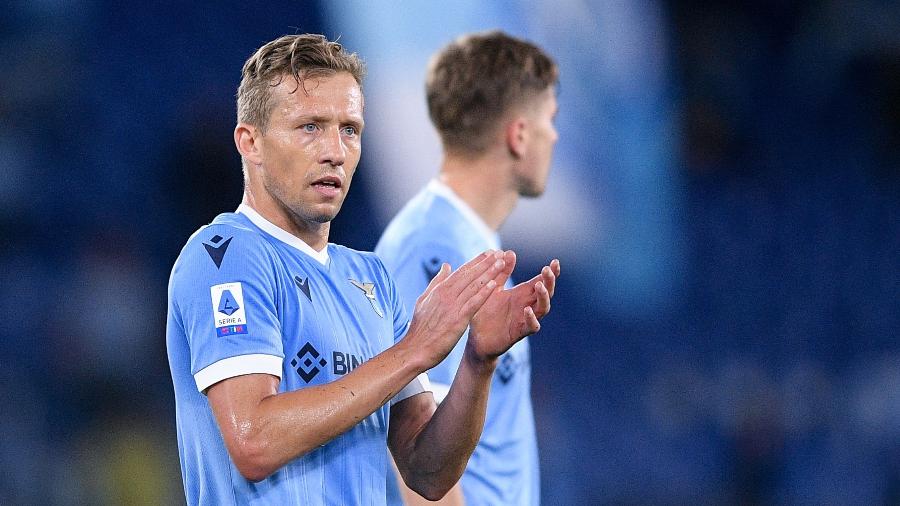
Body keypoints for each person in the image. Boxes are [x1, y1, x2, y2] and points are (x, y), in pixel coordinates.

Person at [165, 33, 559, 505]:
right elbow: (254, 441)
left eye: (349, 129)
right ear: (251, 142)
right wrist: (414, 350)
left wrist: (478, 361)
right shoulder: (224, 255)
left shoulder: (371, 279)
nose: (334, 150)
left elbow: (427, 472)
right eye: (310, 127)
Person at [375, 31, 560, 506]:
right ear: (519, 134)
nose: (554, 136)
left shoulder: (467, 242)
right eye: (550, 119)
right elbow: (412, 453)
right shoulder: (433, 249)